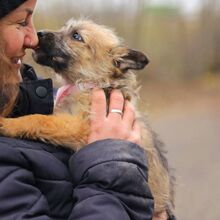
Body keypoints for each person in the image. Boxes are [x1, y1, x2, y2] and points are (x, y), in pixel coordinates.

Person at [0, 0, 170, 219]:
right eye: (21, 22)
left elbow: (77, 130)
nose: (35, 37)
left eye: (75, 37)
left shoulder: (99, 102)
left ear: (114, 64)